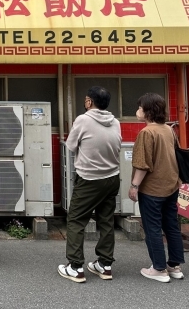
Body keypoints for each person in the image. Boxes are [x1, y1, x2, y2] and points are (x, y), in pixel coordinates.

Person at [57, 86, 122, 283]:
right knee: (106, 221)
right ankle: (105, 264)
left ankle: (75, 267)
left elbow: (70, 145)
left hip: (89, 179)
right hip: (112, 178)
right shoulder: (116, 122)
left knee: (76, 220)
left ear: (88, 101)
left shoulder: (83, 120)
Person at [129, 93, 185, 283]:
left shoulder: (146, 133)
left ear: (148, 111)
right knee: (171, 225)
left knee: (152, 227)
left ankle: (159, 269)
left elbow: (142, 164)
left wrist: (134, 186)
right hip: (171, 185)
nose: (137, 110)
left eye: (140, 107)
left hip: (152, 188)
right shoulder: (168, 130)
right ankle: (174, 266)